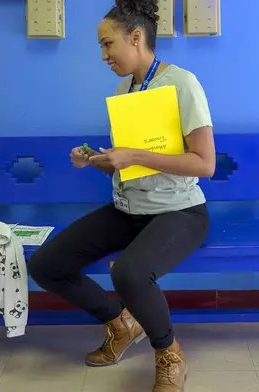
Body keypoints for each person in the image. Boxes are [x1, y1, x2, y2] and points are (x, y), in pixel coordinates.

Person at [28, 1, 215, 391]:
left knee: (130, 273)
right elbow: (134, 161)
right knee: (47, 264)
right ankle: (121, 324)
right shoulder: (124, 87)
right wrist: (100, 160)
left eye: (107, 44)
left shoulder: (182, 83)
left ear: (135, 37)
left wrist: (133, 155)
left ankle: (170, 353)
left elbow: (204, 164)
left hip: (180, 212)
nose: (103, 55)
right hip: (129, 208)